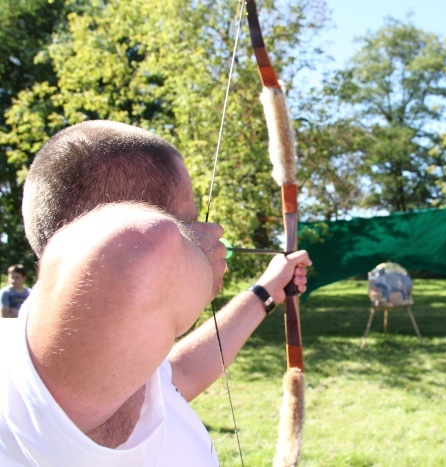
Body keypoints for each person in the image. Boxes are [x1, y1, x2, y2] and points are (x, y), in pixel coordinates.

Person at [0, 120, 311, 466]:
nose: (212, 233)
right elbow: (143, 247)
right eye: (189, 224)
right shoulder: (44, 372)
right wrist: (196, 260)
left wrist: (266, 291)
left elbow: (179, 377)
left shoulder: (108, 372)